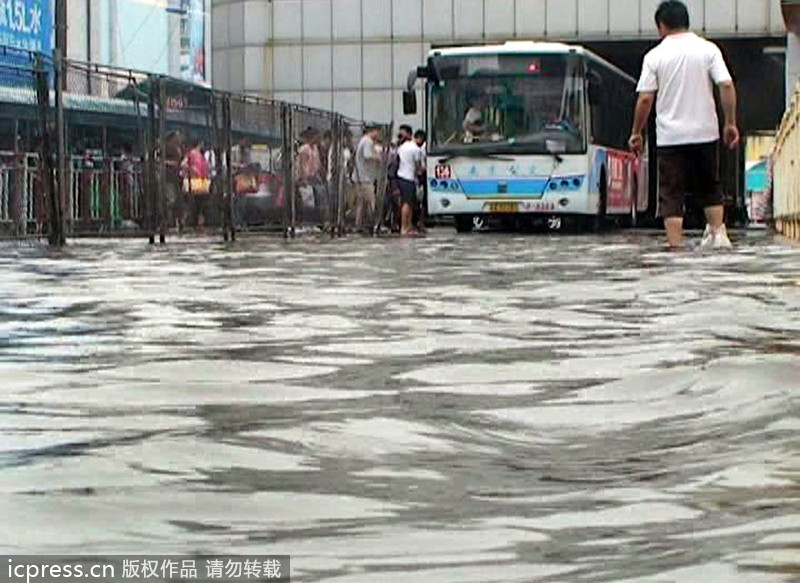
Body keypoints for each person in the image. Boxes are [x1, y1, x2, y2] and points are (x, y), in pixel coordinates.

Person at [629, 0, 739, 250]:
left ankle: (675, 247)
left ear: (661, 26)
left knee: (671, 194)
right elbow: (726, 85)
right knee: (710, 185)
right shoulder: (709, 50)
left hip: (670, 138)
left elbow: (645, 98)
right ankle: (718, 235)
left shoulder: (654, 56)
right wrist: (730, 122)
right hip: (705, 132)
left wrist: (637, 133)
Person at [354, 125, 383, 232]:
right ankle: (374, 224)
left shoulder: (364, 140)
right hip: (365, 177)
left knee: (361, 203)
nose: (379, 135)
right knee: (371, 201)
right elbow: (367, 155)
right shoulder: (368, 141)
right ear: (373, 131)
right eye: (378, 133)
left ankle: (359, 225)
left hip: (361, 176)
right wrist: (379, 157)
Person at [396, 124, 422, 236]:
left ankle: (408, 226)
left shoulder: (401, 147)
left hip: (401, 176)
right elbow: (418, 165)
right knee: (407, 203)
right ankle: (404, 227)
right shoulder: (415, 149)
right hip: (409, 177)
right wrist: (419, 172)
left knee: (409, 203)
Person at [414, 129, 428, 233]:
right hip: (422, 175)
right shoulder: (421, 149)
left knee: (422, 200)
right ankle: (420, 222)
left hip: (422, 175)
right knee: (422, 200)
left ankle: (420, 222)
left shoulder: (422, 148)